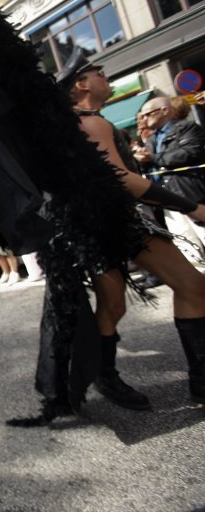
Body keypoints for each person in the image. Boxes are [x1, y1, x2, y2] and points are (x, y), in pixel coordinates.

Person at [57, 47, 205, 408]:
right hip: (115, 222)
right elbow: (121, 179)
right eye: (100, 74)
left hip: (97, 224)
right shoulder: (90, 121)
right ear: (82, 84)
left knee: (113, 305)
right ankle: (200, 381)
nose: (106, 78)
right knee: (193, 285)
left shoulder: (79, 121)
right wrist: (191, 206)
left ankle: (104, 375)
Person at [134, 95, 205, 264]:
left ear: (164, 111)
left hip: (192, 195)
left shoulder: (187, 128)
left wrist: (154, 157)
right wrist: (141, 160)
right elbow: (151, 166)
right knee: (189, 249)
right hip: (168, 201)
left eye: (147, 114)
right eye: (142, 116)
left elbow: (188, 154)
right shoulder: (151, 139)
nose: (144, 119)